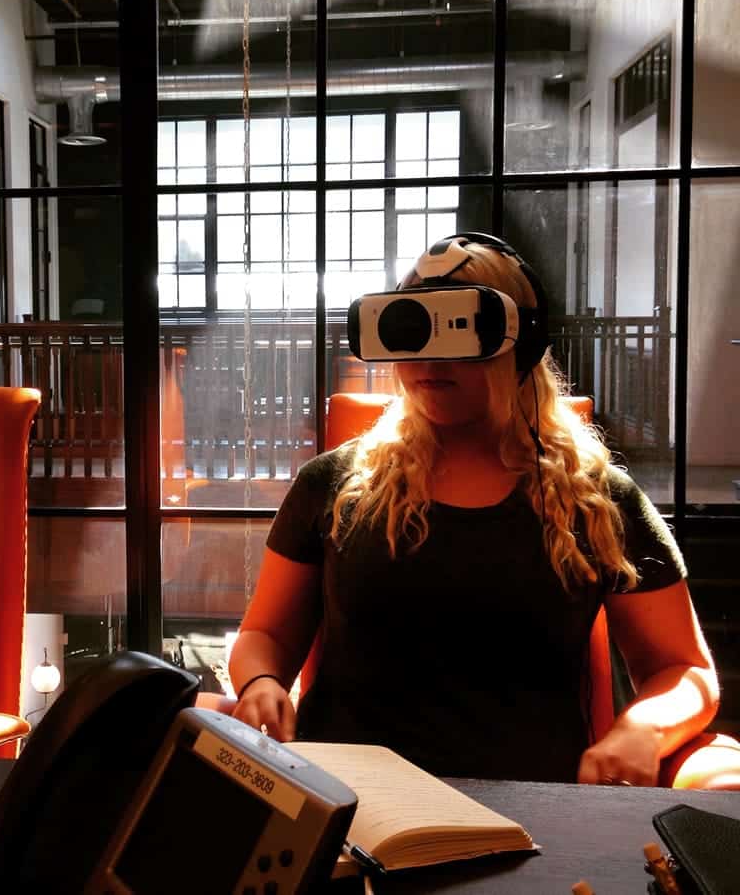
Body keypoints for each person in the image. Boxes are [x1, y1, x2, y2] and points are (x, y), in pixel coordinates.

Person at [228, 235, 720, 785]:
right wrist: (260, 684)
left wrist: (642, 731)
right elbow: (264, 635)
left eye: (462, 330)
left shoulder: (596, 499)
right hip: (349, 799)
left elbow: (684, 668)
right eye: (414, 329)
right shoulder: (333, 484)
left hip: (532, 811)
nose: (433, 358)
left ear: (523, 342)